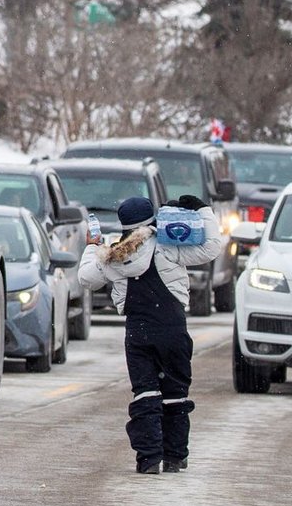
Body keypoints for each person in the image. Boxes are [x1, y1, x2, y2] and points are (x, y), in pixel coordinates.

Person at [78, 194, 222, 475]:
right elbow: (212, 247)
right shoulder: (168, 247)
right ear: (153, 221)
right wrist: (203, 210)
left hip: (138, 333)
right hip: (173, 330)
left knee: (145, 393)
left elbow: (86, 279)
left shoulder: (112, 257)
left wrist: (92, 246)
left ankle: (148, 458)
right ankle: (175, 456)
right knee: (176, 393)